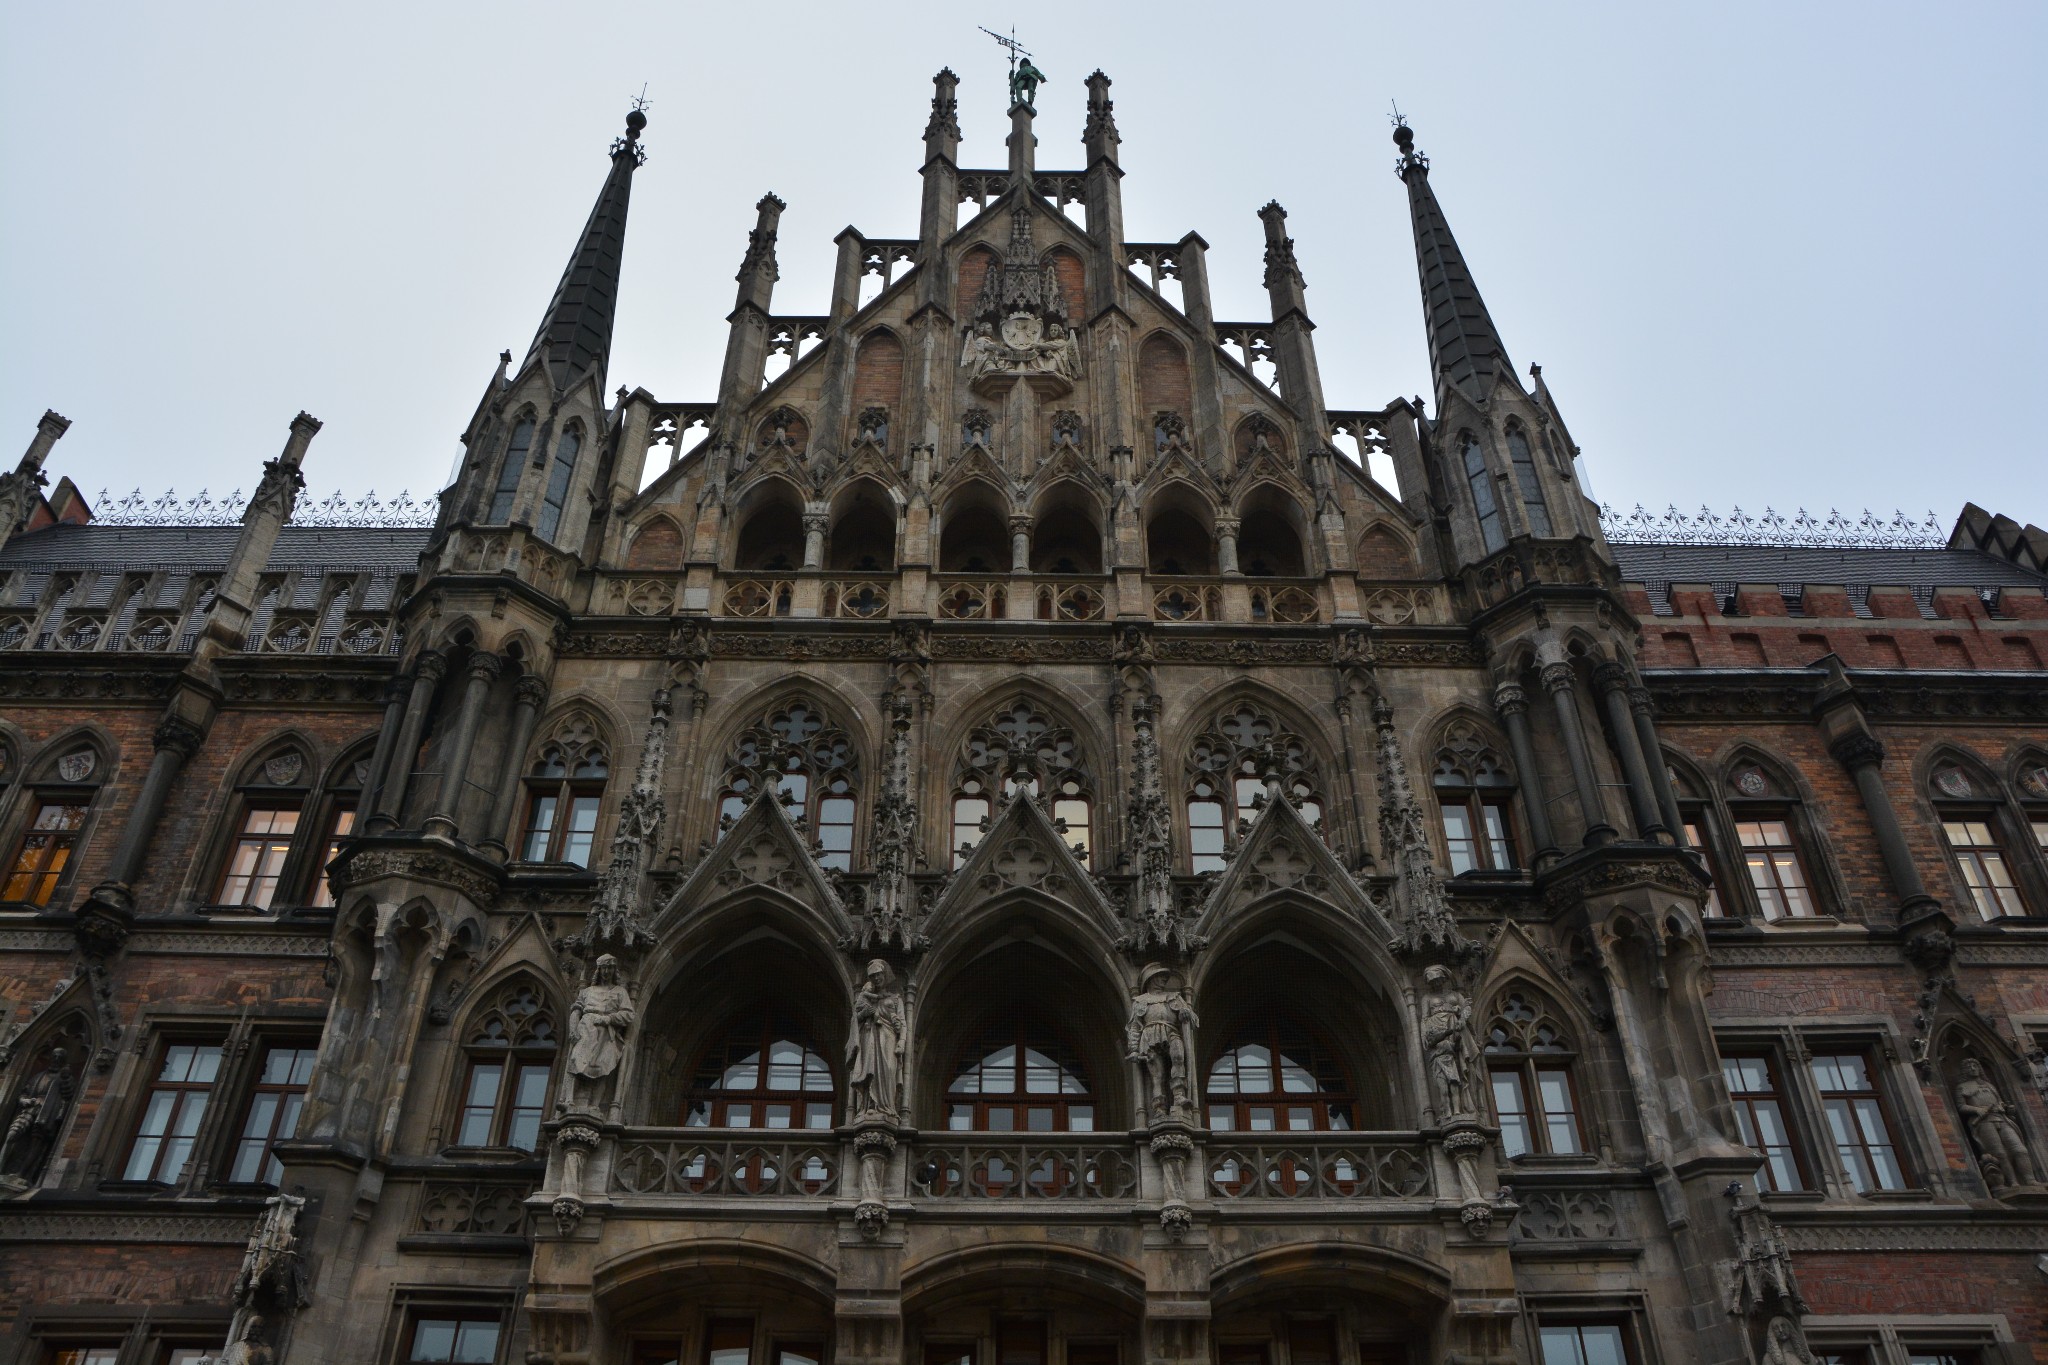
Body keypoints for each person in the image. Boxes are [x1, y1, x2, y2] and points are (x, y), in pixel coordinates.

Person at [847, 960, 905, 1121]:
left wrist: (901, 1041)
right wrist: (864, 1014)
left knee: (888, 1069)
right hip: (869, 1037)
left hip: (889, 1038)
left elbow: (903, 1024)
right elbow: (855, 1020)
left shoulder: (896, 999)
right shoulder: (866, 998)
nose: (876, 978)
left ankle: (887, 1107)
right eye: (872, 976)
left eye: (878, 974)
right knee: (869, 1069)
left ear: (885, 975)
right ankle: (868, 1106)